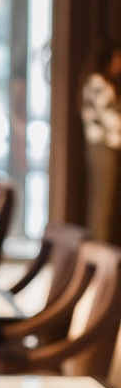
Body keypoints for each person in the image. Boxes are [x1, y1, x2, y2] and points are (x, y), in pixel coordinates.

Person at [81, 38, 121, 243]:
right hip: (102, 146)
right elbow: (111, 118)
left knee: (102, 202)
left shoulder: (99, 83)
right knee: (102, 203)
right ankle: (97, 252)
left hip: (101, 147)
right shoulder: (98, 83)